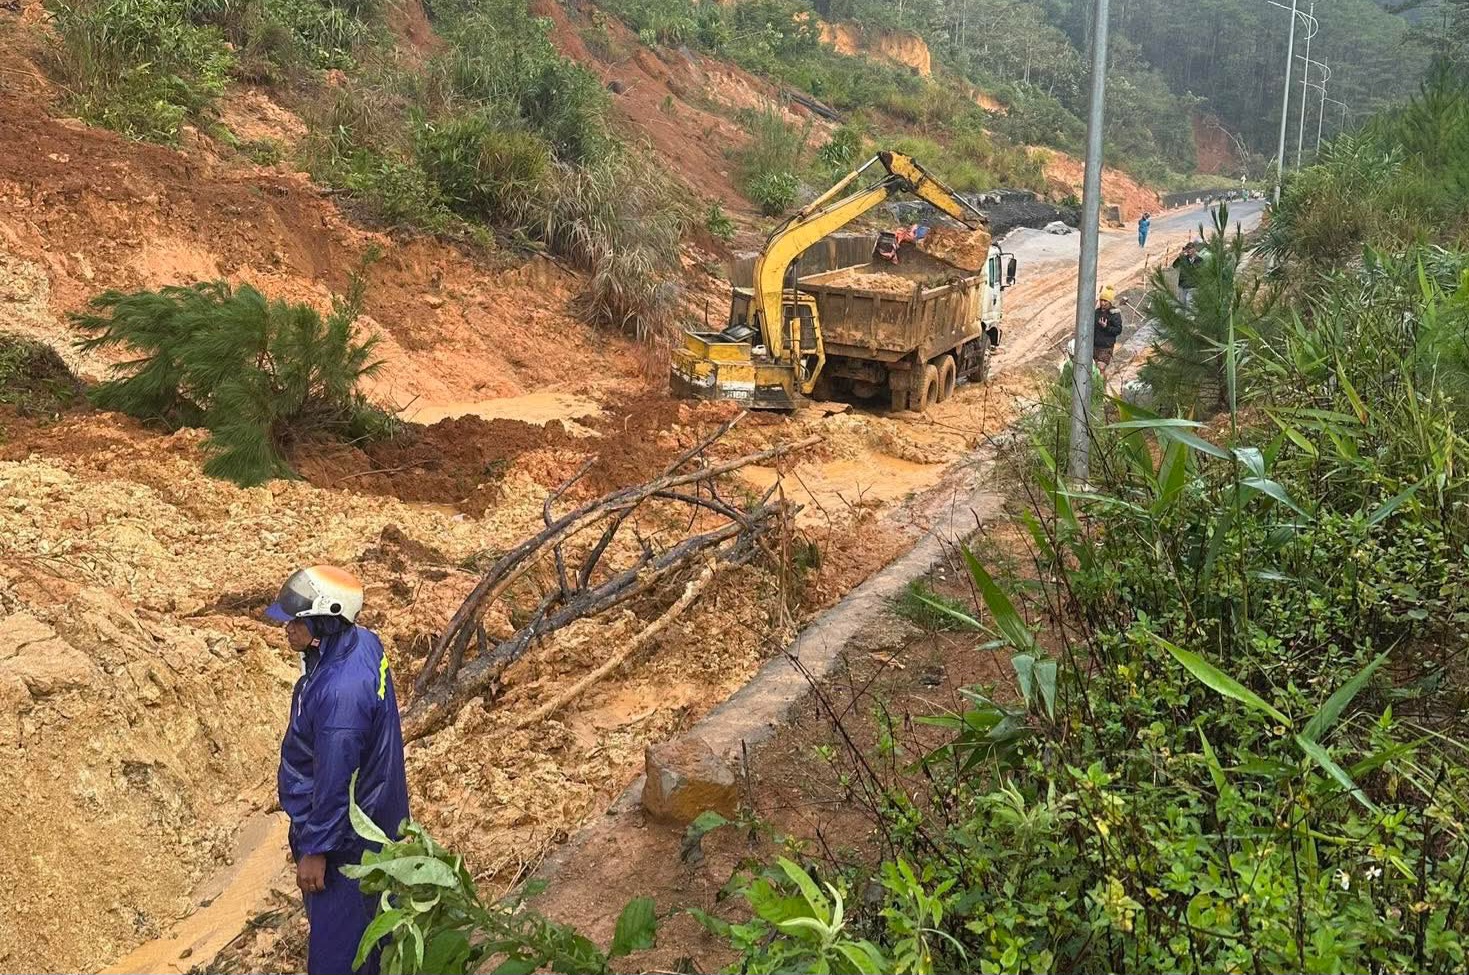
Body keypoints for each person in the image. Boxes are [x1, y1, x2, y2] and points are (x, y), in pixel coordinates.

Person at [270, 565, 410, 975]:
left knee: (340, 951)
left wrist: (316, 850)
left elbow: (335, 780)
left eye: (297, 621)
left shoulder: (339, 696)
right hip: (376, 814)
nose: (287, 628)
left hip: (346, 843)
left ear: (326, 620)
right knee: (377, 930)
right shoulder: (363, 642)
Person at [1093, 285, 1124, 371]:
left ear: (1109, 302)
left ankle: (1102, 380)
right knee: (1093, 370)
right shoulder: (1097, 312)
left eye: (1105, 301)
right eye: (1101, 300)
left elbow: (1118, 330)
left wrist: (1106, 327)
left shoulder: (1114, 314)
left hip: (1106, 347)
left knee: (1100, 368)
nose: (1102, 303)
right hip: (1094, 346)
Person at [1172, 240, 1204, 309]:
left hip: (1193, 285)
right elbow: (1174, 265)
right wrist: (1180, 257)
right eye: (1187, 248)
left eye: (1190, 248)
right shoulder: (1183, 259)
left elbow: (1199, 271)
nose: (1188, 250)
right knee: (1182, 304)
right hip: (1182, 285)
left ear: (1194, 249)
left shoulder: (1199, 260)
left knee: (1190, 305)